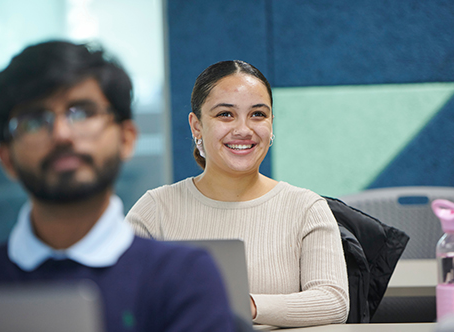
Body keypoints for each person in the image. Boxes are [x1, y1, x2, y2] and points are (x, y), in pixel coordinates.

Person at [0, 41, 236, 332]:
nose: (61, 134)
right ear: (7, 157)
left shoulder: (184, 278)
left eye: (82, 113)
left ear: (126, 138)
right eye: (34, 121)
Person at [126, 60, 350, 327]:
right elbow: (120, 299)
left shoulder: (306, 207)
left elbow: (333, 302)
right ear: (196, 126)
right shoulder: (155, 209)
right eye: (225, 115)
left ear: (271, 124)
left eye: (258, 114)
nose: (244, 130)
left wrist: (246, 305)